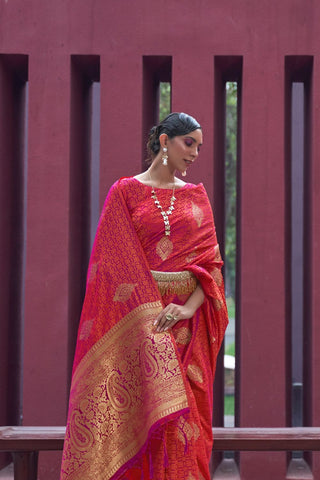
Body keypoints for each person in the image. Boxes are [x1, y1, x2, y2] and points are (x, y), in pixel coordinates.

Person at [60, 112, 228, 480]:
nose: (196, 153)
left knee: (186, 425)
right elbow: (111, 264)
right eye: (189, 143)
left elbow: (212, 267)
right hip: (140, 327)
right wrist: (149, 317)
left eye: (200, 146)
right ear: (165, 141)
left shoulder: (197, 198)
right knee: (144, 421)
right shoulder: (124, 192)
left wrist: (186, 310)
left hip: (186, 331)